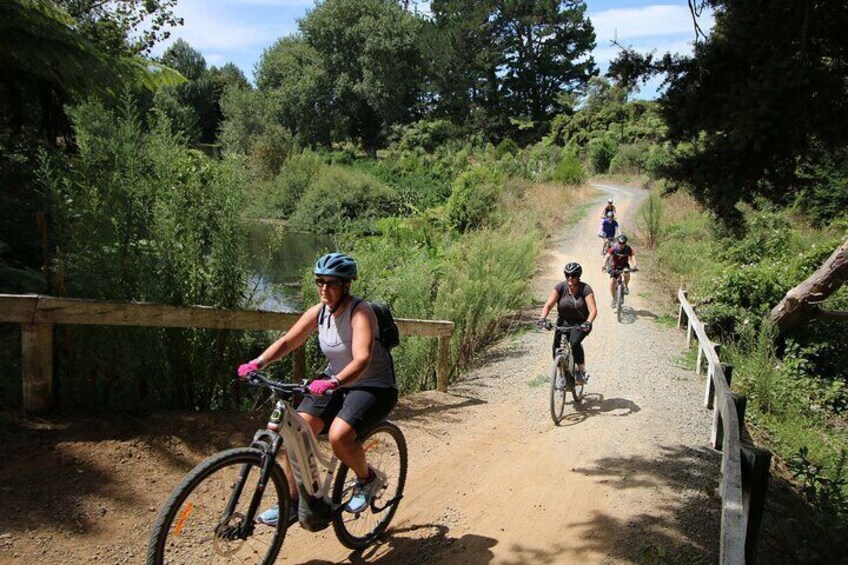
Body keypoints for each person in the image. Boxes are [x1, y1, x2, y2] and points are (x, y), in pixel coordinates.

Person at [237, 252, 398, 525]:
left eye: (331, 283)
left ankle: (366, 479)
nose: (324, 287)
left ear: (346, 285)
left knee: (340, 436)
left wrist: (333, 382)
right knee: (296, 430)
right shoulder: (319, 312)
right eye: (319, 281)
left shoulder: (360, 313)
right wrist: (258, 362)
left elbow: (362, 359)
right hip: (334, 383)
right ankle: (292, 502)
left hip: (373, 385)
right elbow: (288, 341)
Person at [537, 262, 598, 384]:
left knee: (574, 343)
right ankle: (560, 375)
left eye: (573, 275)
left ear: (578, 276)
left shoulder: (585, 289)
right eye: (567, 275)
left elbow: (593, 310)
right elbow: (549, 304)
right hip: (562, 322)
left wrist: (588, 322)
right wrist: (542, 318)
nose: (570, 278)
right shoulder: (561, 287)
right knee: (556, 349)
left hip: (580, 324)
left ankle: (581, 372)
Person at [603, 235, 639, 307]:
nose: (621, 245)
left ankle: (626, 286)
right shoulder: (614, 248)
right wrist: (603, 265)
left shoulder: (628, 249)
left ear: (625, 243)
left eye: (623, 243)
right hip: (614, 267)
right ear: (618, 242)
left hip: (624, 266)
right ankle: (614, 299)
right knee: (612, 283)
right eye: (620, 243)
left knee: (627, 272)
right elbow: (607, 256)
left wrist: (635, 265)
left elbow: (633, 257)